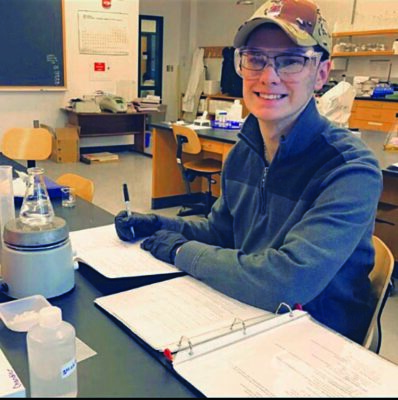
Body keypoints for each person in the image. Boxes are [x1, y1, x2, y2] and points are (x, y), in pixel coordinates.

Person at [115, 0, 382, 344]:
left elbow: (285, 284)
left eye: (290, 61)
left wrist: (180, 251)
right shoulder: (244, 152)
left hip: (319, 339)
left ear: (321, 74)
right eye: (255, 59)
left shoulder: (349, 169)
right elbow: (222, 233)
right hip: (248, 314)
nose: (268, 77)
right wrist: (161, 224)